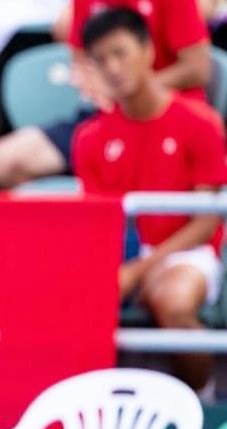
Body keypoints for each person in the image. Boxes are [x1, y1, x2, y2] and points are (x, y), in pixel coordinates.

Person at [74, 7, 226, 394]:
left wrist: (139, 271)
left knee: (172, 299)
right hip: (123, 256)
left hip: (187, 251)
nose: (111, 68)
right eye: (101, 59)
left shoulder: (200, 122)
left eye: (120, 53)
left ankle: (205, 397)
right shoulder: (89, 138)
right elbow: (95, 223)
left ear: (147, 50)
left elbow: (205, 223)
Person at [0, 0, 211, 188]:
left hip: (167, 115)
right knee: (4, 160)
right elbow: (80, 60)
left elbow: (198, 68)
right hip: (105, 116)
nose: (113, 66)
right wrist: (99, 88)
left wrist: (134, 89)